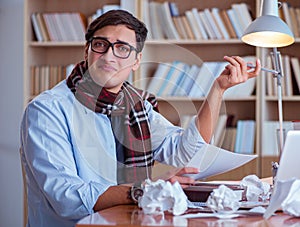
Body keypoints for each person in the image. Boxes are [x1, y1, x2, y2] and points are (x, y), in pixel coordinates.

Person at [20, 9, 261, 227]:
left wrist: (218, 89)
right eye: (100, 44)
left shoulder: (136, 107)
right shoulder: (46, 111)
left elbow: (184, 150)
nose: (109, 56)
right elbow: (67, 197)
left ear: (136, 60)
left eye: (122, 48)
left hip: (131, 221)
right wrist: (142, 191)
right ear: (87, 50)